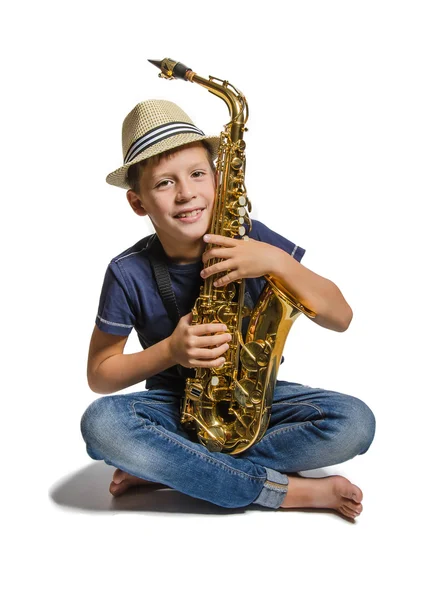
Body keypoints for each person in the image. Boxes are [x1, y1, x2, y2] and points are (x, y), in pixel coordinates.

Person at [80, 99, 376, 519]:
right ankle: (283, 492)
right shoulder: (127, 272)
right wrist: (169, 351)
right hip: (172, 407)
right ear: (138, 202)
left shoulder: (252, 239)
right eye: (164, 183)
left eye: (198, 174)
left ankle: (175, 467)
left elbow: (340, 317)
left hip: (255, 401)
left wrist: (277, 261)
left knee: (355, 422)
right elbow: (99, 375)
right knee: (102, 426)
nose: (186, 193)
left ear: (219, 180)